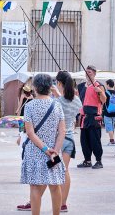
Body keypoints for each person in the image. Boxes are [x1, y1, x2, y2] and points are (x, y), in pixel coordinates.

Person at [21, 74, 65, 215]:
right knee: (55, 185)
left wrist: (45, 149)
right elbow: (62, 131)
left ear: (34, 87)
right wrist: (55, 151)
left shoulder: (29, 106)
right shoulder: (57, 104)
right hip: (54, 151)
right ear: (49, 87)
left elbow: (30, 132)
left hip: (35, 151)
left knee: (35, 186)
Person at [52, 70, 82, 213]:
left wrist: (56, 95)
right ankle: (63, 203)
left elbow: (57, 109)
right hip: (70, 139)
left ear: (59, 83)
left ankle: (34, 199)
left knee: (51, 170)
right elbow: (69, 104)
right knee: (65, 171)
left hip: (57, 140)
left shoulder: (56, 102)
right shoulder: (77, 100)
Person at [77, 65, 106, 169]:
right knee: (84, 140)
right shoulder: (80, 86)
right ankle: (87, 160)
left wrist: (100, 92)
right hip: (84, 116)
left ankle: (99, 161)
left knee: (95, 140)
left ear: (94, 73)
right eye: (86, 72)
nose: (87, 73)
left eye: (89, 72)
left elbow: (104, 100)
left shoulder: (99, 85)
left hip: (94, 116)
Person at [103, 79, 115, 146]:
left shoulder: (105, 93)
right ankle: (112, 139)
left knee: (109, 127)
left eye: (106, 84)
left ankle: (112, 141)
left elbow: (102, 102)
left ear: (108, 85)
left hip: (107, 112)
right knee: (112, 127)